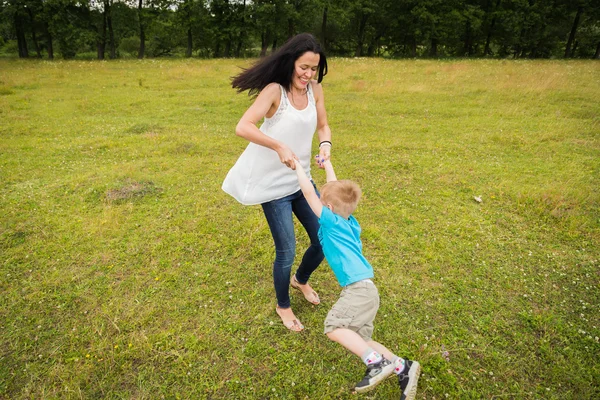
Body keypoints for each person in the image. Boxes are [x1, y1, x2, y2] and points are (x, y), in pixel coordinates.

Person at [222, 33, 332, 332]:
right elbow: (243, 126)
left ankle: (300, 280)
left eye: (313, 69)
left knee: (324, 238)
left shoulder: (315, 91)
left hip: (302, 180)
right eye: (303, 67)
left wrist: (326, 145)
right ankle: (283, 305)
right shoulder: (275, 91)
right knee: (286, 250)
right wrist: (279, 146)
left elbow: (322, 125)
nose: (308, 74)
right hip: (273, 186)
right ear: (291, 62)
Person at [293, 157, 421, 397]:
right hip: (368, 289)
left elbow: (310, 194)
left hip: (357, 290)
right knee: (361, 338)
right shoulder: (349, 222)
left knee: (333, 327)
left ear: (328, 209)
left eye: (324, 202)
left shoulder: (330, 222)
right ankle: (403, 367)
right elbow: (334, 189)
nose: (320, 202)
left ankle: (376, 363)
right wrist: (328, 164)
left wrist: (297, 167)